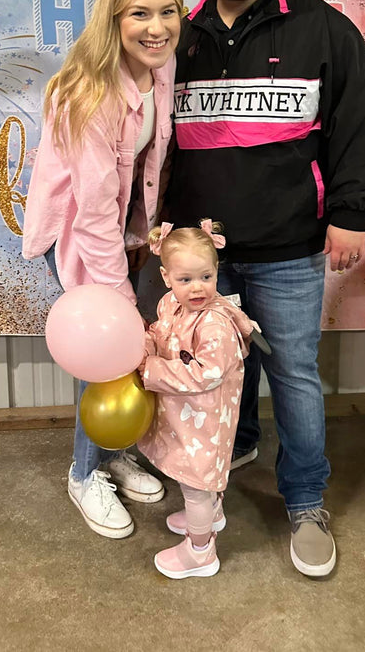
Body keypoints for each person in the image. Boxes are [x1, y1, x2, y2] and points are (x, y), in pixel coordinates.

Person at [165, 0, 365, 577]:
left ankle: (306, 499)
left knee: (292, 371)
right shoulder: (176, 39)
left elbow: (354, 126)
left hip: (289, 244)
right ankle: (235, 449)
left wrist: (350, 214)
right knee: (213, 370)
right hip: (201, 257)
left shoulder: (323, 29)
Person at [22, 0, 184, 539]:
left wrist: (144, 234)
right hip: (77, 235)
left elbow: (145, 172)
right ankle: (84, 472)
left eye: (168, 12)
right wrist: (117, 293)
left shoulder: (157, 71)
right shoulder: (86, 91)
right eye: (139, 13)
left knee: (129, 354)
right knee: (108, 353)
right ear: (112, 18)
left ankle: (113, 448)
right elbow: (90, 208)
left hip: (121, 232)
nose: (157, 27)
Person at [137, 220, 254, 579]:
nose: (197, 288)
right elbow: (160, 332)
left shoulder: (214, 325)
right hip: (186, 415)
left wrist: (150, 370)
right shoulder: (172, 304)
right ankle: (211, 514)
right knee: (194, 480)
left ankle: (200, 551)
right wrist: (143, 346)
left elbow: (206, 373)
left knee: (197, 485)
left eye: (206, 277)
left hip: (206, 423)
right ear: (166, 276)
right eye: (185, 279)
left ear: (217, 270)